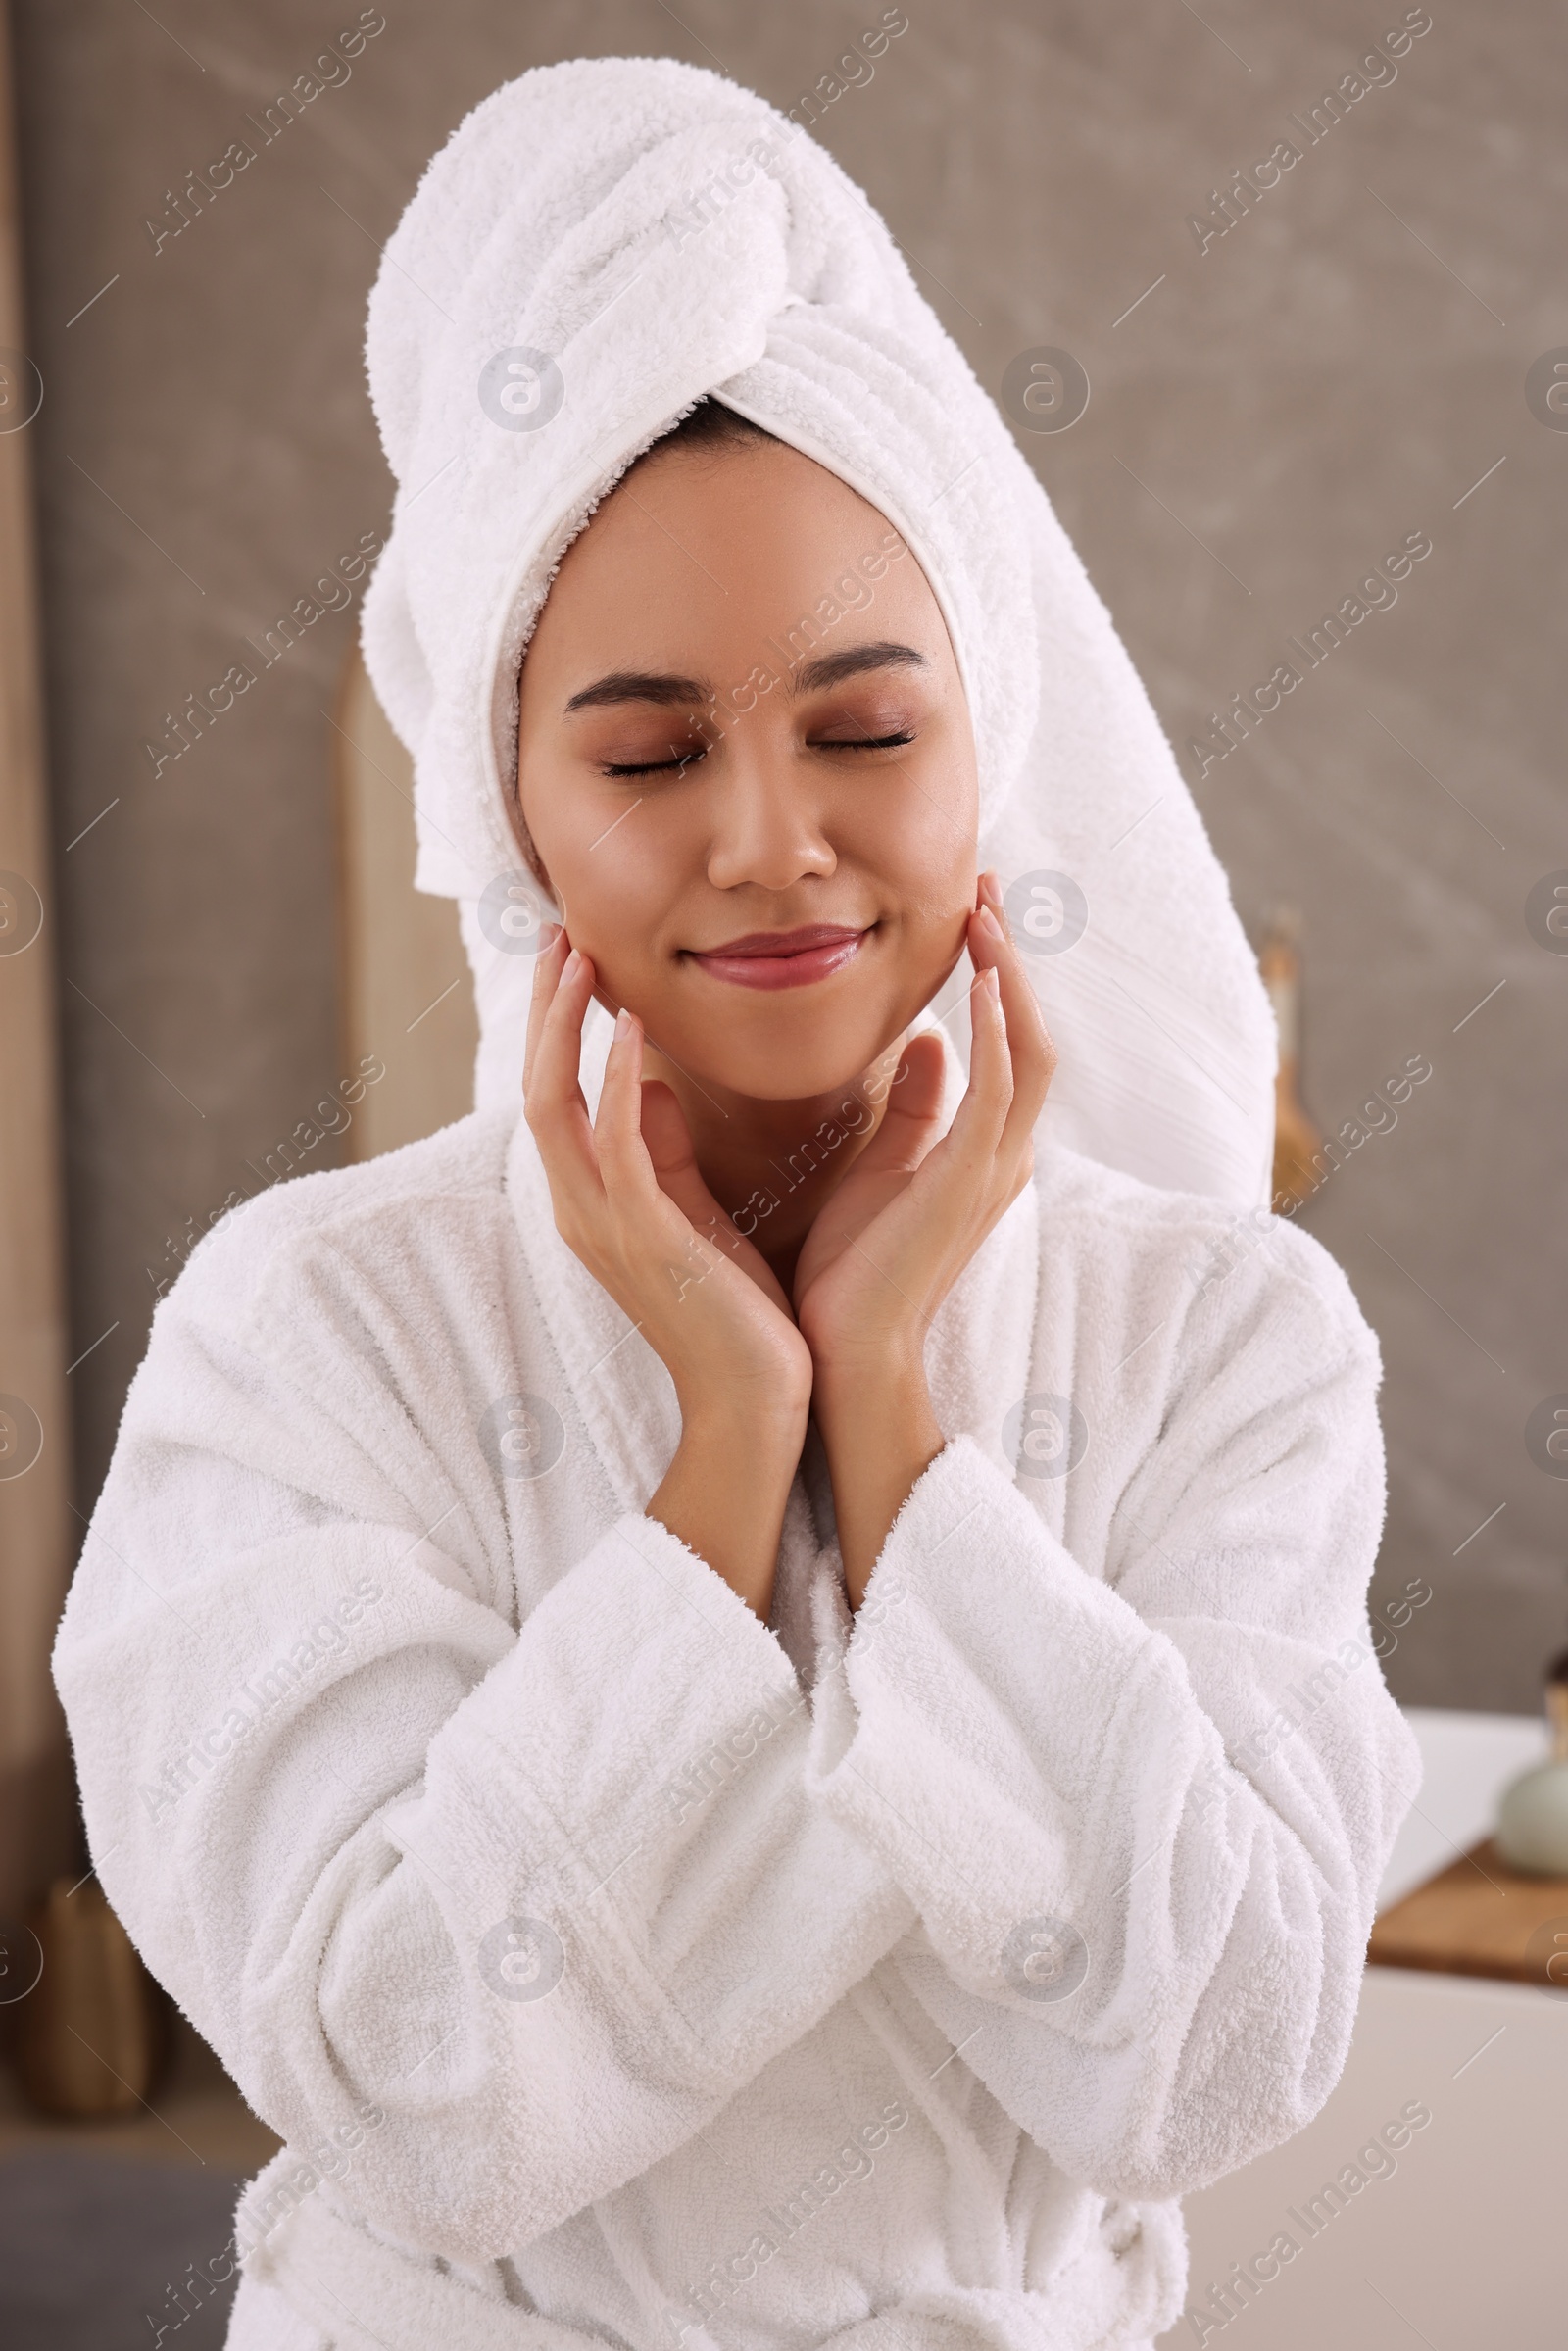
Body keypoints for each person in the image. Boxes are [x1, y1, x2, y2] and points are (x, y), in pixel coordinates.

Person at [52, 58, 1420, 2351]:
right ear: (510, 813)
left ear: (989, 758)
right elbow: (414, 2089)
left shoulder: (1221, 1335)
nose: (772, 836)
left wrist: (889, 1425)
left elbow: (1217, 2056)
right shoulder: (303, 1335)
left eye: (866, 733)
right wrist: (720, 1464)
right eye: (649, 751)